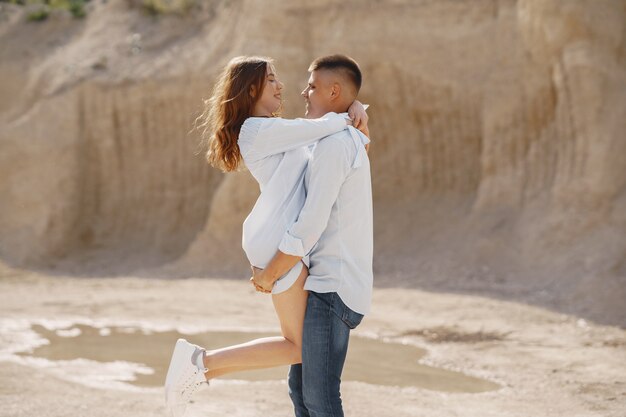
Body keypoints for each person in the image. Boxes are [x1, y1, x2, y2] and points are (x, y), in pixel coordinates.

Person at [163, 55, 369, 417]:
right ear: (251, 88)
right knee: (299, 349)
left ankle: (200, 365)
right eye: (271, 79)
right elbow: (322, 129)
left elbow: (338, 148)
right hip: (278, 242)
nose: (282, 86)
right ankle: (200, 363)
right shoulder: (256, 131)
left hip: (282, 241)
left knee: (300, 350)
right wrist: (352, 109)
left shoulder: (278, 131)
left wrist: (353, 109)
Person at [252, 54, 373, 417]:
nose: (304, 92)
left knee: (319, 396)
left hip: (332, 286)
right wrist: (354, 106)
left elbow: (311, 223)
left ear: (333, 90)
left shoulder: (335, 145)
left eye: (313, 86)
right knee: (301, 390)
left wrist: (271, 273)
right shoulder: (336, 138)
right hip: (327, 283)